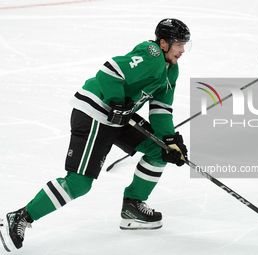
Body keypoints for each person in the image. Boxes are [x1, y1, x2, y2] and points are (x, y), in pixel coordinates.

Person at [0, 18, 190, 252]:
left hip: (119, 117)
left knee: (159, 151)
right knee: (79, 183)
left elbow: (161, 109)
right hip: (96, 113)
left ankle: (133, 206)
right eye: (179, 44)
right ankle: (20, 217)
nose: (182, 51)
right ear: (163, 43)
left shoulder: (172, 70)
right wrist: (116, 101)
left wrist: (169, 140)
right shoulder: (151, 55)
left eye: (184, 45)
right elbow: (110, 70)